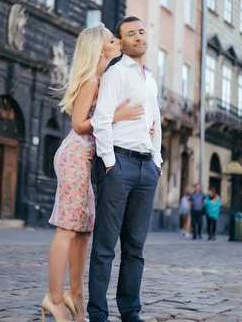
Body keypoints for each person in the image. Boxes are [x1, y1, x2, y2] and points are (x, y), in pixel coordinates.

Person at [43, 24, 148, 321]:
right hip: (75, 156)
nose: (118, 42)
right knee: (66, 229)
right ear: (100, 49)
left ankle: (75, 297)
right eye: (112, 39)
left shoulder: (102, 80)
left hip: (86, 160)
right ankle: (54, 300)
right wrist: (117, 115)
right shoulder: (92, 80)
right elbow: (78, 124)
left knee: (83, 230)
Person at [88, 16, 163, 322]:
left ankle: (130, 311)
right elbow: (101, 120)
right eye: (130, 34)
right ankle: (98, 314)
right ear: (122, 42)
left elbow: (155, 122)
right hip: (119, 165)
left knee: (135, 247)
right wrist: (109, 164)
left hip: (147, 169)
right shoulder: (116, 74)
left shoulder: (150, 79)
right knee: (105, 246)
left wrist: (156, 160)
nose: (137, 37)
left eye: (141, 31)